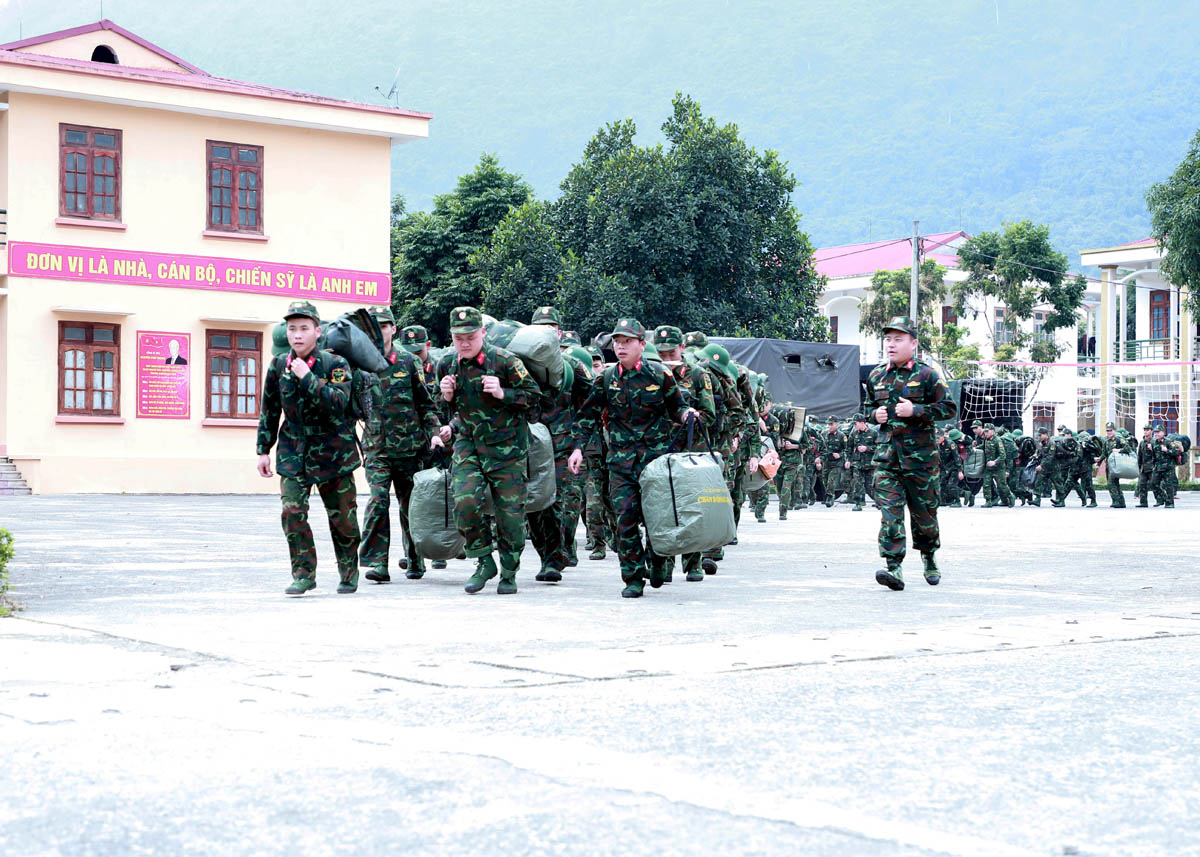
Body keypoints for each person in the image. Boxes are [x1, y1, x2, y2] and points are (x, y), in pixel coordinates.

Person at [569, 318, 696, 598]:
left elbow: (677, 406)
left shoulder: (660, 375)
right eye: (617, 342)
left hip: (655, 461)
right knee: (625, 517)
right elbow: (587, 416)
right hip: (621, 463)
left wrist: (686, 414)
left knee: (656, 518)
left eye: (627, 341)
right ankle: (633, 577)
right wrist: (577, 448)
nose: (621, 346)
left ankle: (659, 560)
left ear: (641, 344)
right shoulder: (606, 379)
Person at [256, 301, 362, 596]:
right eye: (292, 329)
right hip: (294, 449)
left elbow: (339, 404)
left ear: (317, 331)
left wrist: (308, 377)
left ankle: (349, 569)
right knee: (292, 512)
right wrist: (263, 449)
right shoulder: (278, 366)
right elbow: (269, 409)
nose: (297, 335)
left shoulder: (335, 364)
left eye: (304, 328)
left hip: (334, 450)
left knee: (343, 518)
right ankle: (303, 574)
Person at [436, 306, 540, 594]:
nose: (465, 343)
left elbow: (535, 399)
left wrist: (503, 392)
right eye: (459, 338)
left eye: (470, 336)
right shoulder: (447, 364)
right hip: (469, 445)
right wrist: (446, 395)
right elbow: (442, 407)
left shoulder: (505, 362)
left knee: (510, 516)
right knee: (465, 504)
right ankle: (483, 560)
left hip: (507, 449)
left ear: (482, 332)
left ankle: (509, 571)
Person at [865, 316, 957, 590]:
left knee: (924, 516)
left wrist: (916, 410)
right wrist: (874, 415)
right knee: (890, 515)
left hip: (921, 462)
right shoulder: (876, 376)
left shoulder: (927, 375)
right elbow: (867, 408)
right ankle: (893, 568)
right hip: (887, 460)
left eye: (898, 339)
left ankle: (929, 557)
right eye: (889, 339)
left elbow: (949, 409)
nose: (891, 345)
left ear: (913, 344)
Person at [358, 306, 444, 583]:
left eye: (384, 326)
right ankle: (379, 564)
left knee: (410, 508)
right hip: (376, 448)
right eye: (374, 326)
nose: (379, 331)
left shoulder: (408, 361)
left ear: (393, 329)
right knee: (378, 501)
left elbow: (425, 403)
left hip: (409, 448)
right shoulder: (359, 362)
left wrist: (433, 431)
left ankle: (415, 559)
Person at [526, 306, 591, 582]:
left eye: (551, 327)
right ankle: (548, 556)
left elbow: (589, 406)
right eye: (541, 327)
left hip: (564, 446)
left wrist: (580, 444)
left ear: (559, 332)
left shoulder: (572, 367)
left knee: (560, 503)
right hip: (531, 446)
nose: (547, 332)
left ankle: (556, 555)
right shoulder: (521, 364)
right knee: (535, 506)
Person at [654, 324, 717, 581]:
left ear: (682, 348)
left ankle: (693, 563)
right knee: (663, 506)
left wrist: (688, 417)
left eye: (671, 353)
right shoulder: (651, 372)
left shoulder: (699, 375)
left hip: (692, 448)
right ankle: (664, 564)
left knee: (692, 505)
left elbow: (710, 415)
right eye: (662, 353)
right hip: (662, 448)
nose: (666, 358)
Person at [1095, 422, 1132, 508]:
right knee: (1114, 483)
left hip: (1117, 465)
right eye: (1107, 431)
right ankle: (1121, 502)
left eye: (1110, 430)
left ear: (1114, 430)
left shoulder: (1119, 439)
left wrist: (1118, 450)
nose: (1109, 432)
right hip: (1109, 465)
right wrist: (1098, 464)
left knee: (1111, 483)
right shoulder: (1106, 441)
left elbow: (1128, 449)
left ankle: (1116, 501)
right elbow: (1104, 453)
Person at [1148, 424, 1183, 508]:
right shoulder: (1153, 442)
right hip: (1158, 467)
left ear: (1163, 433)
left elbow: (1176, 452)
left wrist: (1167, 450)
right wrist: (1153, 465)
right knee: (1153, 483)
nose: (1156, 434)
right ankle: (1160, 499)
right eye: (1155, 432)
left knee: (1168, 486)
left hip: (1168, 467)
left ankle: (1169, 503)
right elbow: (1154, 455)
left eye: (1158, 432)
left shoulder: (1168, 442)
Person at [846, 413, 875, 511]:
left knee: (871, 485)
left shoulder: (873, 433)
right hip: (858, 463)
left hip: (870, 464)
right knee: (857, 483)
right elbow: (848, 448)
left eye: (856, 423)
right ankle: (858, 503)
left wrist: (867, 448)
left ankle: (879, 502)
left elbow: (880, 448)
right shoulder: (854, 433)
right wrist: (848, 460)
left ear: (862, 423)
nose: (854, 426)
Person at [980, 424, 1014, 507]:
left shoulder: (998, 441)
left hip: (999, 468)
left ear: (992, 431)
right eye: (985, 431)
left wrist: (995, 462)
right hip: (989, 468)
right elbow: (983, 447)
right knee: (986, 484)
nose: (986, 433)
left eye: (987, 431)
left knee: (1002, 485)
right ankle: (988, 501)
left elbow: (1003, 455)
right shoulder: (986, 439)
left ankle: (1010, 497)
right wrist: (975, 448)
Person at [818, 415, 848, 506]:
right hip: (826, 461)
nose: (829, 426)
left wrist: (840, 455)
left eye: (831, 424)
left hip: (837, 463)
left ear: (837, 424)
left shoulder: (841, 436)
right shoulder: (823, 434)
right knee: (825, 480)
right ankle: (827, 496)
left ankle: (830, 498)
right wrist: (819, 458)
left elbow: (846, 449)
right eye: (828, 424)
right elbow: (820, 448)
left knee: (831, 481)